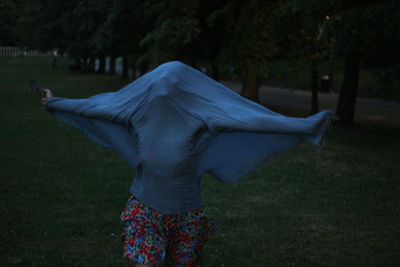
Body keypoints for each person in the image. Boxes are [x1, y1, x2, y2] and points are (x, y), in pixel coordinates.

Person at [42, 61, 335, 266]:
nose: (164, 91)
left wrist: (306, 126)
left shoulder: (200, 115)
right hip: (145, 211)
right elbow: (92, 107)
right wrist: (55, 103)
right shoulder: (138, 108)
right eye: (160, 85)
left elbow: (253, 119)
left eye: (172, 87)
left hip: (187, 216)